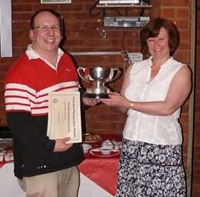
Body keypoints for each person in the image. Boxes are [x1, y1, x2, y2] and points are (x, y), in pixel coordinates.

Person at [4, 9, 98, 197]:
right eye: (43, 27)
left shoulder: (67, 60)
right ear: (32, 33)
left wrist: (85, 100)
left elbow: (71, 97)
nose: (50, 32)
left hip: (67, 159)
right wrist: (50, 145)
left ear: (61, 34)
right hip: (40, 164)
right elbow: (18, 122)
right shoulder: (20, 70)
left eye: (54, 27)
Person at [101, 17, 191, 197]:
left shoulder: (181, 71)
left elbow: (167, 107)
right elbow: (124, 109)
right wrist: (111, 99)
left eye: (161, 39)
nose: (156, 44)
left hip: (162, 149)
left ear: (170, 41)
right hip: (132, 146)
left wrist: (129, 103)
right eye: (151, 40)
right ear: (146, 43)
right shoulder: (134, 69)